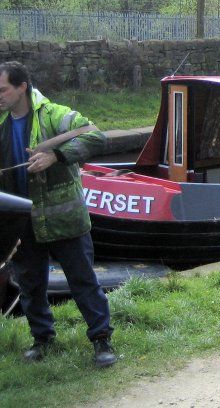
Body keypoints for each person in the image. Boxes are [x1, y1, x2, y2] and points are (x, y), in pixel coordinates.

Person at [0, 61, 116, 367]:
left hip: (65, 220)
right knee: (30, 284)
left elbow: (96, 136)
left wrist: (56, 156)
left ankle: (102, 340)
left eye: (3, 89)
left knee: (83, 281)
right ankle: (42, 340)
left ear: (22, 87)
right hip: (23, 224)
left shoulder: (54, 115)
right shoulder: (0, 124)